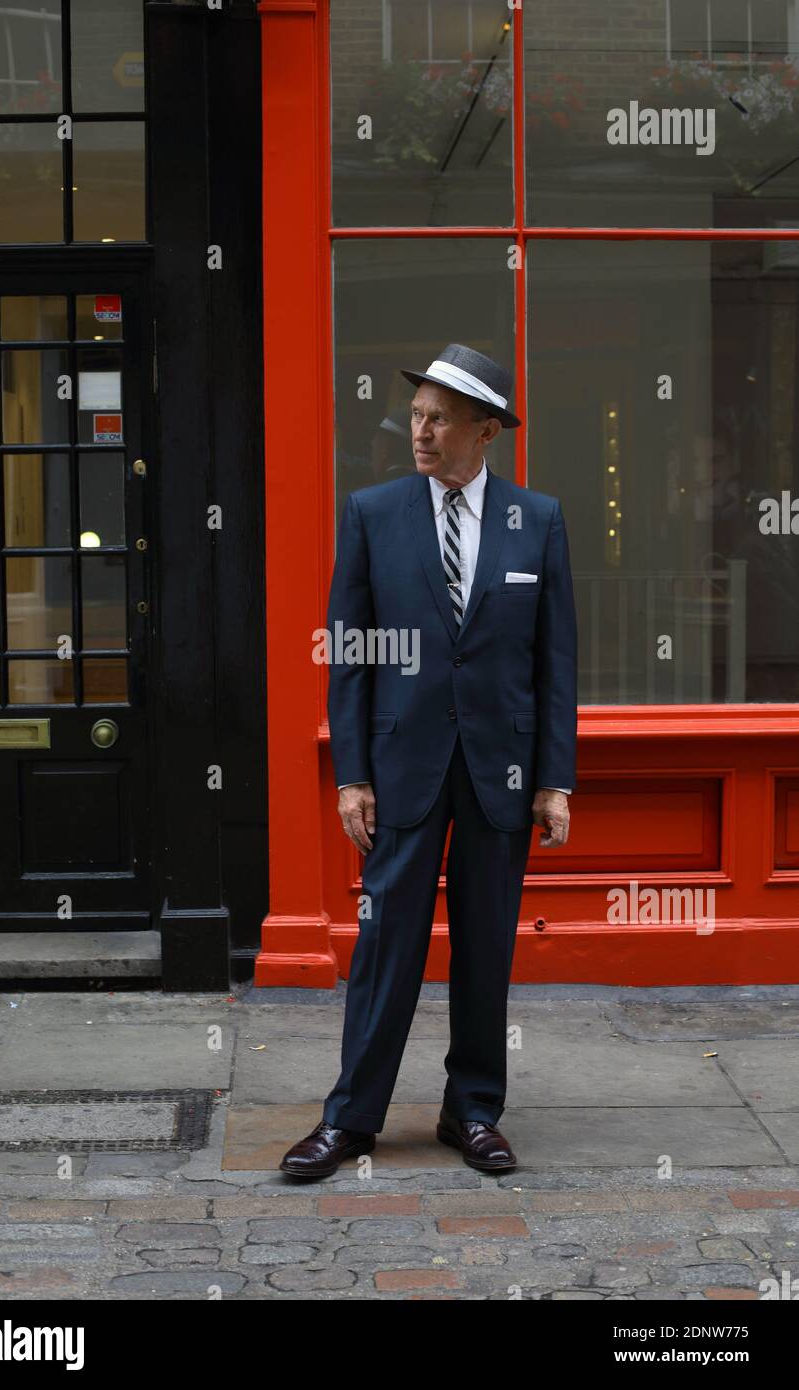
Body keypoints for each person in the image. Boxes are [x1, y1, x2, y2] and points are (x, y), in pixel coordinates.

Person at [280, 343, 578, 1179]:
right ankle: (350, 1120)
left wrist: (555, 778)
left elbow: (557, 662)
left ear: (485, 431)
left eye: (440, 418)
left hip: (501, 775)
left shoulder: (538, 520)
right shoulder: (374, 515)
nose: (421, 430)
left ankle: (473, 1112)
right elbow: (349, 654)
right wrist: (351, 773)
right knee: (386, 947)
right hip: (401, 770)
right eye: (416, 415)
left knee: (486, 947)